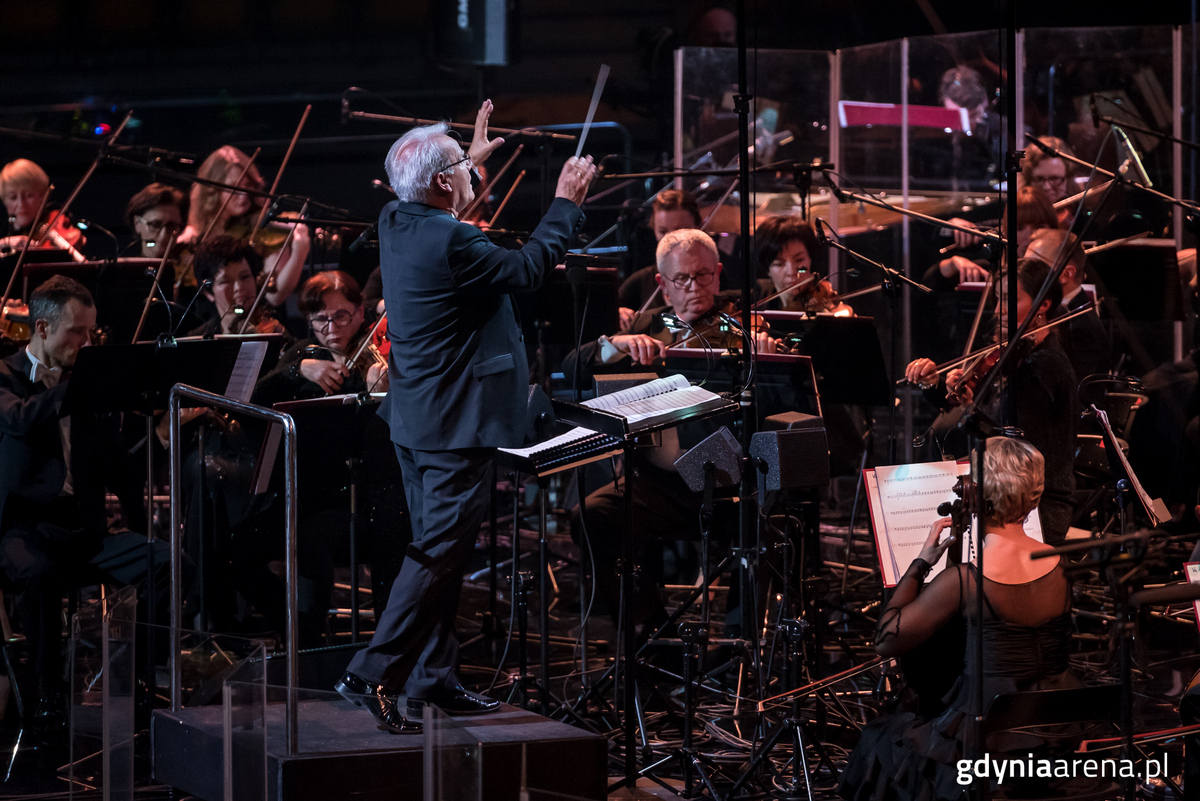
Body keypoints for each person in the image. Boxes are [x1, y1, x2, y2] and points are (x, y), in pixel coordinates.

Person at [333, 100, 596, 733]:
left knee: (439, 553)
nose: (471, 174)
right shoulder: (453, 236)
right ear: (441, 183)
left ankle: (433, 679)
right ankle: (369, 674)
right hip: (455, 427)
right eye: (460, 167)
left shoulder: (396, 217)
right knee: (437, 554)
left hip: (417, 420)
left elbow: (442, 216)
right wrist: (565, 202)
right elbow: (529, 269)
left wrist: (464, 162)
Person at [839, 437, 1077, 801]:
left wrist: (921, 563)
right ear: (1035, 494)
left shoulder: (964, 580)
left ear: (977, 495)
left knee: (879, 740)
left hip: (987, 742)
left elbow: (886, 639)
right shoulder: (1061, 564)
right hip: (1051, 732)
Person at [566, 228, 775, 633]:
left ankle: (739, 646)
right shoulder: (646, 326)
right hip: (659, 485)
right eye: (682, 279)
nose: (695, 288)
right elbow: (574, 363)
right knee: (591, 515)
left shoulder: (741, 327)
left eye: (703, 276)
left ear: (717, 274)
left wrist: (762, 354)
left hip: (728, 485)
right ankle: (649, 631)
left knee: (767, 515)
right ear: (663, 285)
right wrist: (615, 345)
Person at [0, 276, 163, 721]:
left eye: (91, 332)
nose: (86, 342)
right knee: (37, 575)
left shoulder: (83, 381)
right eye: (76, 332)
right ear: (43, 329)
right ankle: (47, 695)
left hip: (83, 524)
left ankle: (134, 681)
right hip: (25, 526)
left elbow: (118, 461)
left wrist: (157, 430)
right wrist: (78, 386)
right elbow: (18, 420)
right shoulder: (6, 375)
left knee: (165, 564)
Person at [906, 258, 1077, 543]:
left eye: (1009, 300)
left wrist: (972, 408)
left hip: (1036, 503)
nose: (999, 310)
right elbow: (954, 412)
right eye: (998, 299)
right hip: (1002, 491)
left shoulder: (1044, 366)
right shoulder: (1011, 356)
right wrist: (934, 385)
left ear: (1044, 306)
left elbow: (1014, 445)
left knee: (933, 494)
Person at [176, 146, 309, 304]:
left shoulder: (263, 231)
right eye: (235, 187)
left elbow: (274, 297)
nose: (244, 194)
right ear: (212, 190)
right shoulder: (193, 237)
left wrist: (300, 251)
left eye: (248, 186)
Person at [254, 271, 388, 404]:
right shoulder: (305, 351)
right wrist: (298, 369)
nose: (331, 329)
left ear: (360, 312)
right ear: (309, 320)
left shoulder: (378, 350)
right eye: (321, 319)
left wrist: (379, 397)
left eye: (341, 316)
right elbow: (256, 397)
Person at [1025, 227, 1110, 379]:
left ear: (1066, 273)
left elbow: (1072, 393)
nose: (1024, 276)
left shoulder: (1081, 328)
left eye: (1035, 267)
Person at [617, 189, 703, 331]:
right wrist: (617, 313)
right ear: (653, 229)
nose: (670, 240)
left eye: (679, 230)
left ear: (698, 227)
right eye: (663, 231)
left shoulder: (713, 276)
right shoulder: (639, 282)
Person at [187, 236, 292, 345]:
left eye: (245, 277)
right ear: (208, 293)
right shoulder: (197, 340)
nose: (239, 287)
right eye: (226, 281)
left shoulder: (273, 329)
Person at [754, 213, 850, 314]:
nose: (791, 272)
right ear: (767, 268)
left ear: (810, 258)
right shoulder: (759, 296)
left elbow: (842, 311)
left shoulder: (822, 295)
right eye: (779, 264)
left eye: (799, 260)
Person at [0, 158, 83, 255]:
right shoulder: (3, 235)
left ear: (42, 195)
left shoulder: (54, 223)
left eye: (28, 195)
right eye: (13, 197)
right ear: (4, 200)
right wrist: (4, 243)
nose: (21, 203)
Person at [125, 182, 187, 259]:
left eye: (171, 225)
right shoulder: (124, 269)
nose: (163, 235)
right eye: (155, 225)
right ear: (137, 224)